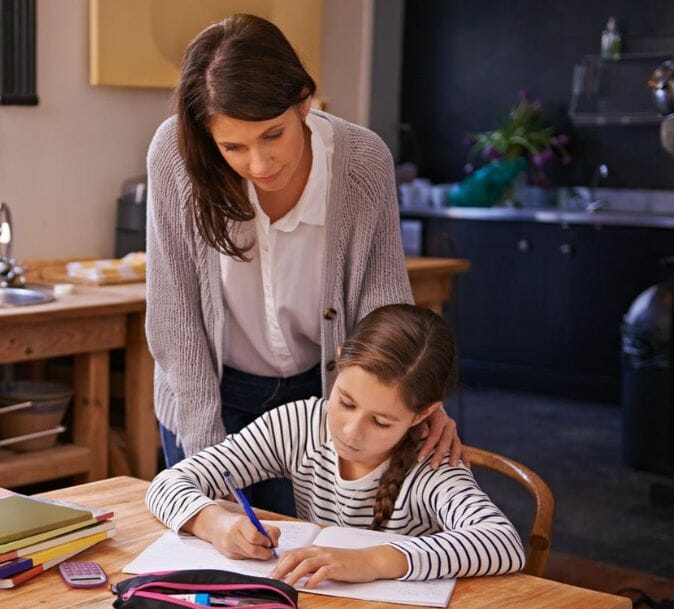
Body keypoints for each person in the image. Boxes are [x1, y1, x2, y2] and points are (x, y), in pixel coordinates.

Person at [145, 13, 463, 516]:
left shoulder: (362, 161)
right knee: (219, 564)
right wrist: (208, 460)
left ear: (304, 102)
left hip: (323, 398)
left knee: (312, 565)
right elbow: (175, 316)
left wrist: (413, 393)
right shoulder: (176, 157)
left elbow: (385, 310)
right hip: (207, 391)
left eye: (274, 135)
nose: (259, 164)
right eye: (233, 146)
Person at [145, 304, 525, 586]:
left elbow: (502, 543)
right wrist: (217, 523)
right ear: (339, 362)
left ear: (423, 414)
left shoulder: (432, 460)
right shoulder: (298, 425)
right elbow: (167, 483)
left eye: (381, 422)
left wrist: (375, 561)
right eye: (345, 402)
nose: (351, 432)